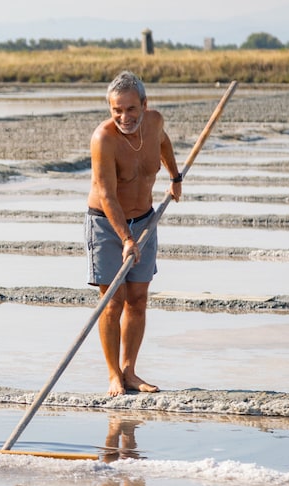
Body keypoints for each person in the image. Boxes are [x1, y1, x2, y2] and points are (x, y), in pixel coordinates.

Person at [86, 71, 182, 396]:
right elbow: (107, 194)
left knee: (138, 300)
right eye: (117, 110)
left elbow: (164, 142)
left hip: (145, 220)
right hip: (107, 224)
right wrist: (125, 239)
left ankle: (130, 372)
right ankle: (113, 375)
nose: (123, 117)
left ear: (144, 104)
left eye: (130, 109)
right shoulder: (104, 139)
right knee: (113, 301)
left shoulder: (154, 122)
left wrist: (175, 176)